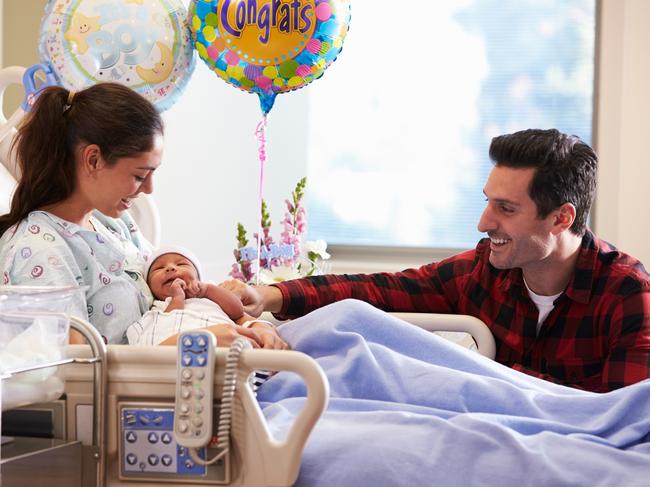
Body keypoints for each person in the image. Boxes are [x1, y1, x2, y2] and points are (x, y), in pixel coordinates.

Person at [222, 128, 650, 392]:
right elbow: (385, 290)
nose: (484, 223)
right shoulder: (486, 270)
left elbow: (625, 415)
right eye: (487, 203)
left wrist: (478, 377)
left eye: (506, 208)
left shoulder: (629, 294)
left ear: (561, 218)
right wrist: (269, 295)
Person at [0, 82, 284, 349]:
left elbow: (175, 301)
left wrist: (253, 324)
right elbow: (72, 373)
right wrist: (190, 345)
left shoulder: (114, 224)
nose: (148, 189)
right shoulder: (38, 252)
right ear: (93, 160)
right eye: (139, 175)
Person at [127, 246, 287, 349]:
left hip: (232, 350)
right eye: (159, 268)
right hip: (186, 356)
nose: (170, 268)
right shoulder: (158, 308)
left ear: (198, 276)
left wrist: (208, 289)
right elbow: (168, 323)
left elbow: (237, 311)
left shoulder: (210, 296)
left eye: (181, 264)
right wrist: (177, 298)